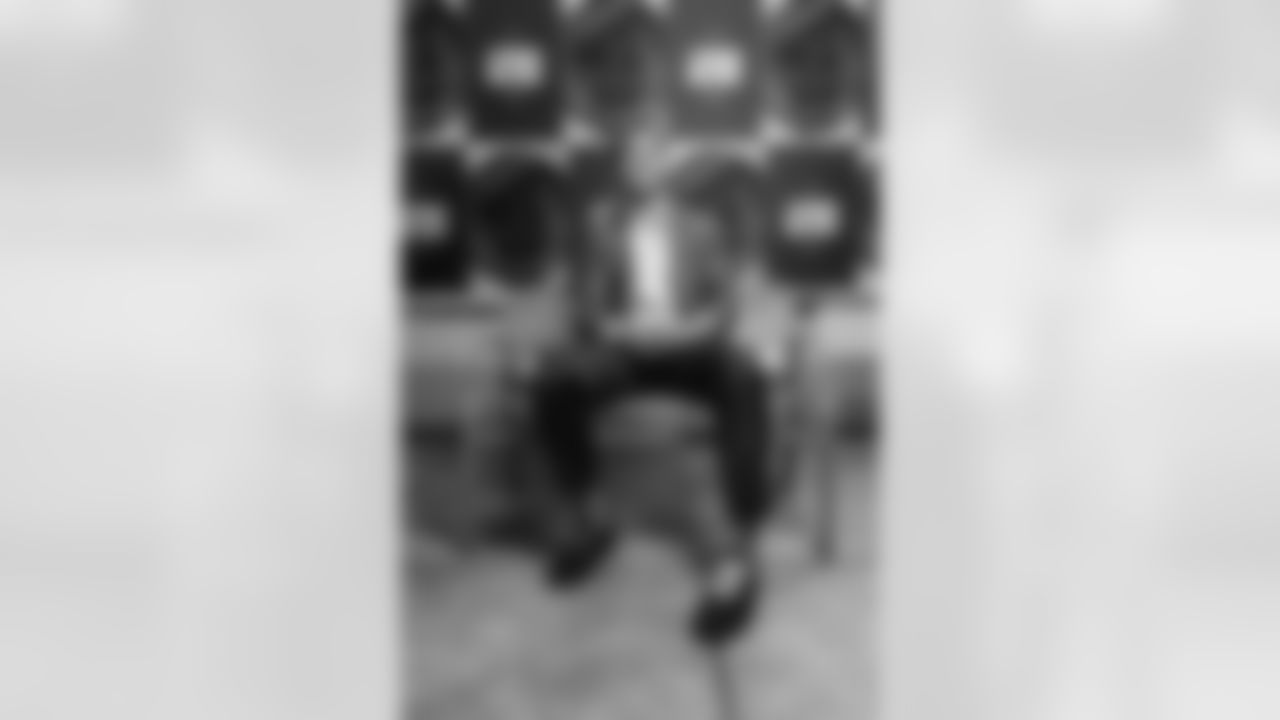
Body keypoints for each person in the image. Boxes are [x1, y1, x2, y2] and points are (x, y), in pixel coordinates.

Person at [526, 140, 774, 647]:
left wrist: (688, 331)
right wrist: (620, 331)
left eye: (656, 155)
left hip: (690, 349)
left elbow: (725, 307)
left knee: (745, 378)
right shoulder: (603, 225)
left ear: (670, 166)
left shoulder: (703, 227)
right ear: (626, 170)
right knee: (556, 383)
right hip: (627, 352)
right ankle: (591, 518)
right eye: (637, 157)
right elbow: (589, 307)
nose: (648, 167)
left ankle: (737, 553)